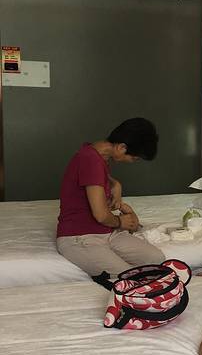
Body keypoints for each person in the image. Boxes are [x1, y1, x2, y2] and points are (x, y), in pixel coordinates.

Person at [56, 118, 163, 282]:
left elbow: (90, 178)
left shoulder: (97, 154)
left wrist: (115, 184)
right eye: (134, 158)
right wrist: (121, 222)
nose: (132, 162)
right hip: (79, 237)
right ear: (122, 147)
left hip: (106, 232)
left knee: (156, 259)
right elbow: (101, 215)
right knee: (129, 279)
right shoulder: (90, 160)